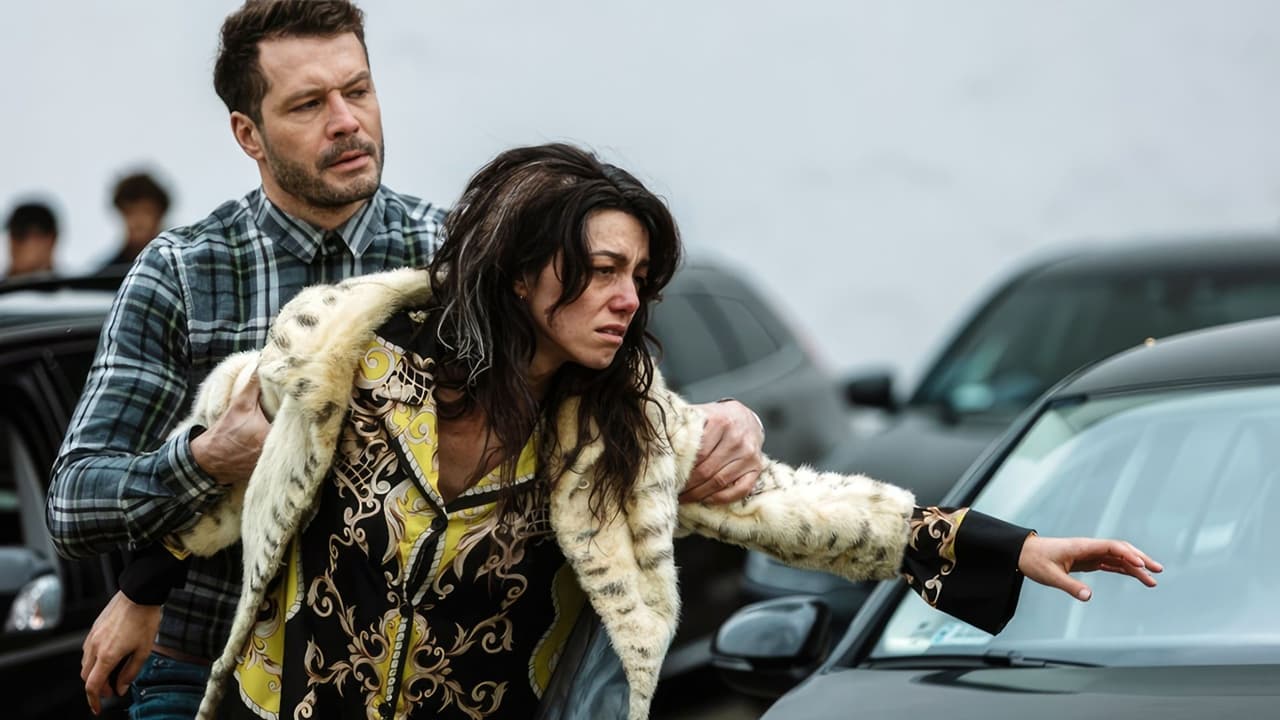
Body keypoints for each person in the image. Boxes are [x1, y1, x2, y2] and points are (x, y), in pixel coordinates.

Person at [150, 142, 1160, 720]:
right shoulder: (344, 362)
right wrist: (137, 595)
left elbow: (791, 506)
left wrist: (1001, 545)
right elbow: (219, 471)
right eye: (600, 270)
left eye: (637, 275)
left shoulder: (619, 434)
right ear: (519, 270)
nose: (627, 297)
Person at [47, 2, 764, 718]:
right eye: (308, 104)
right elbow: (75, 501)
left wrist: (725, 421)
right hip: (207, 661)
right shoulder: (181, 273)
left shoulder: (459, 257)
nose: (346, 121)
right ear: (248, 133)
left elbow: (592, 402)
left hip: (416, 680)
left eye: (357, 90)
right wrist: (206, 461)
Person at [97, 171, 172, 278]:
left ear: (160, 215)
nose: (138, 221)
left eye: (146, 211)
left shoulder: (182, 271)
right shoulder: (104, 277)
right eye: (130, 212)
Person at [4, 201, 59, 280]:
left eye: (22, 235)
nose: (15, 242)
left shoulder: (69, 286)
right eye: (13, 234)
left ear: (51, 240)